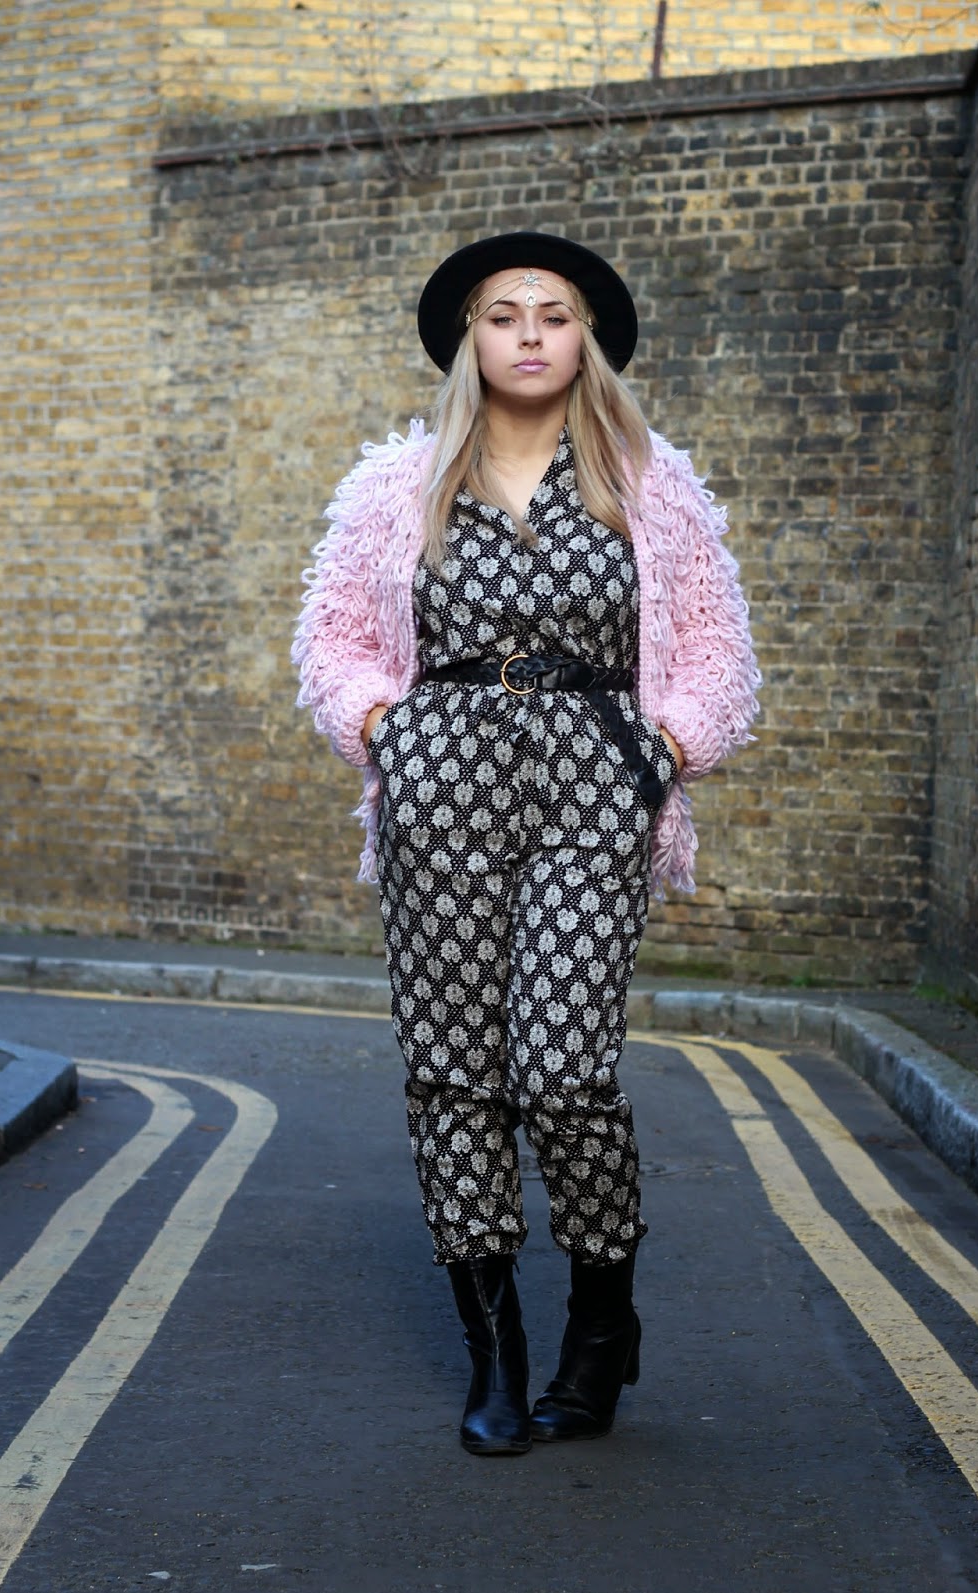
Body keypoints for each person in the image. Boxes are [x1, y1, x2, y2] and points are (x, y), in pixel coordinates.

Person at [292, 232, 760, 1455]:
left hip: (597, 780)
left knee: (562, 1067)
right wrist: (382, 727)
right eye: (505, 314)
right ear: (472, 339)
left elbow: (717, 649)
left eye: (554, 314)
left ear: (584, 338)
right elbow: (334, 639)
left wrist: (666, 748)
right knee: (453, 1066)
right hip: (437, 780)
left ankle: (601, 1318)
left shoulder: (648, 481)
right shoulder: (398, 485)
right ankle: (493, 1350)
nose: (531, 333)